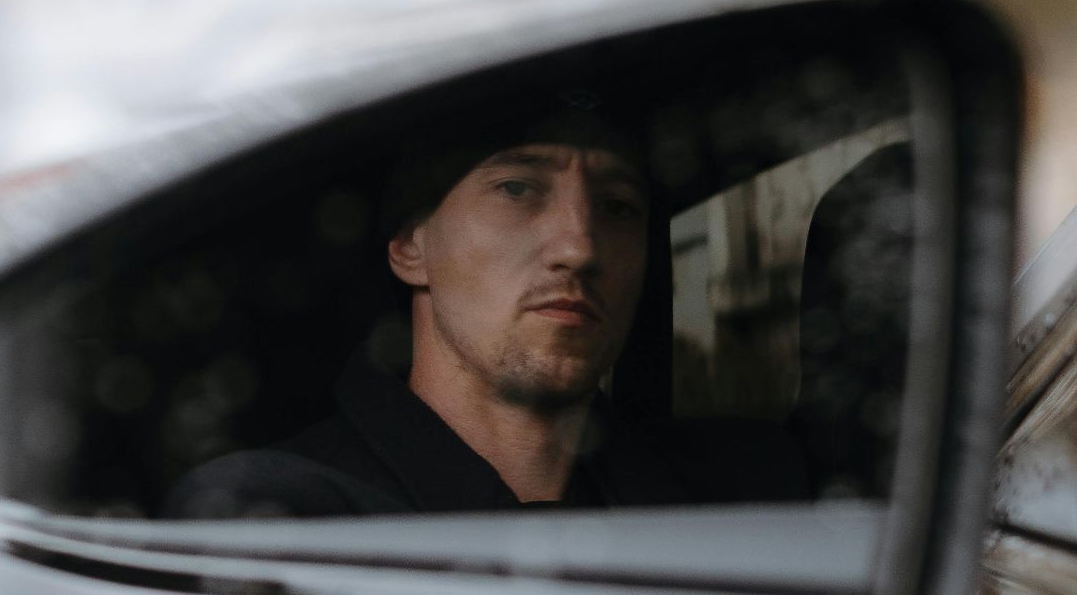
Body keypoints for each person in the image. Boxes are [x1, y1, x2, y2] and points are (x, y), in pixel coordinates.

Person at [163, 93, 809, 518]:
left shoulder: (720, 505)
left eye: (618, 207)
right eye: (518, 188)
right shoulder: (281, 509)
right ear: (411, 247)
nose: (581, 247)